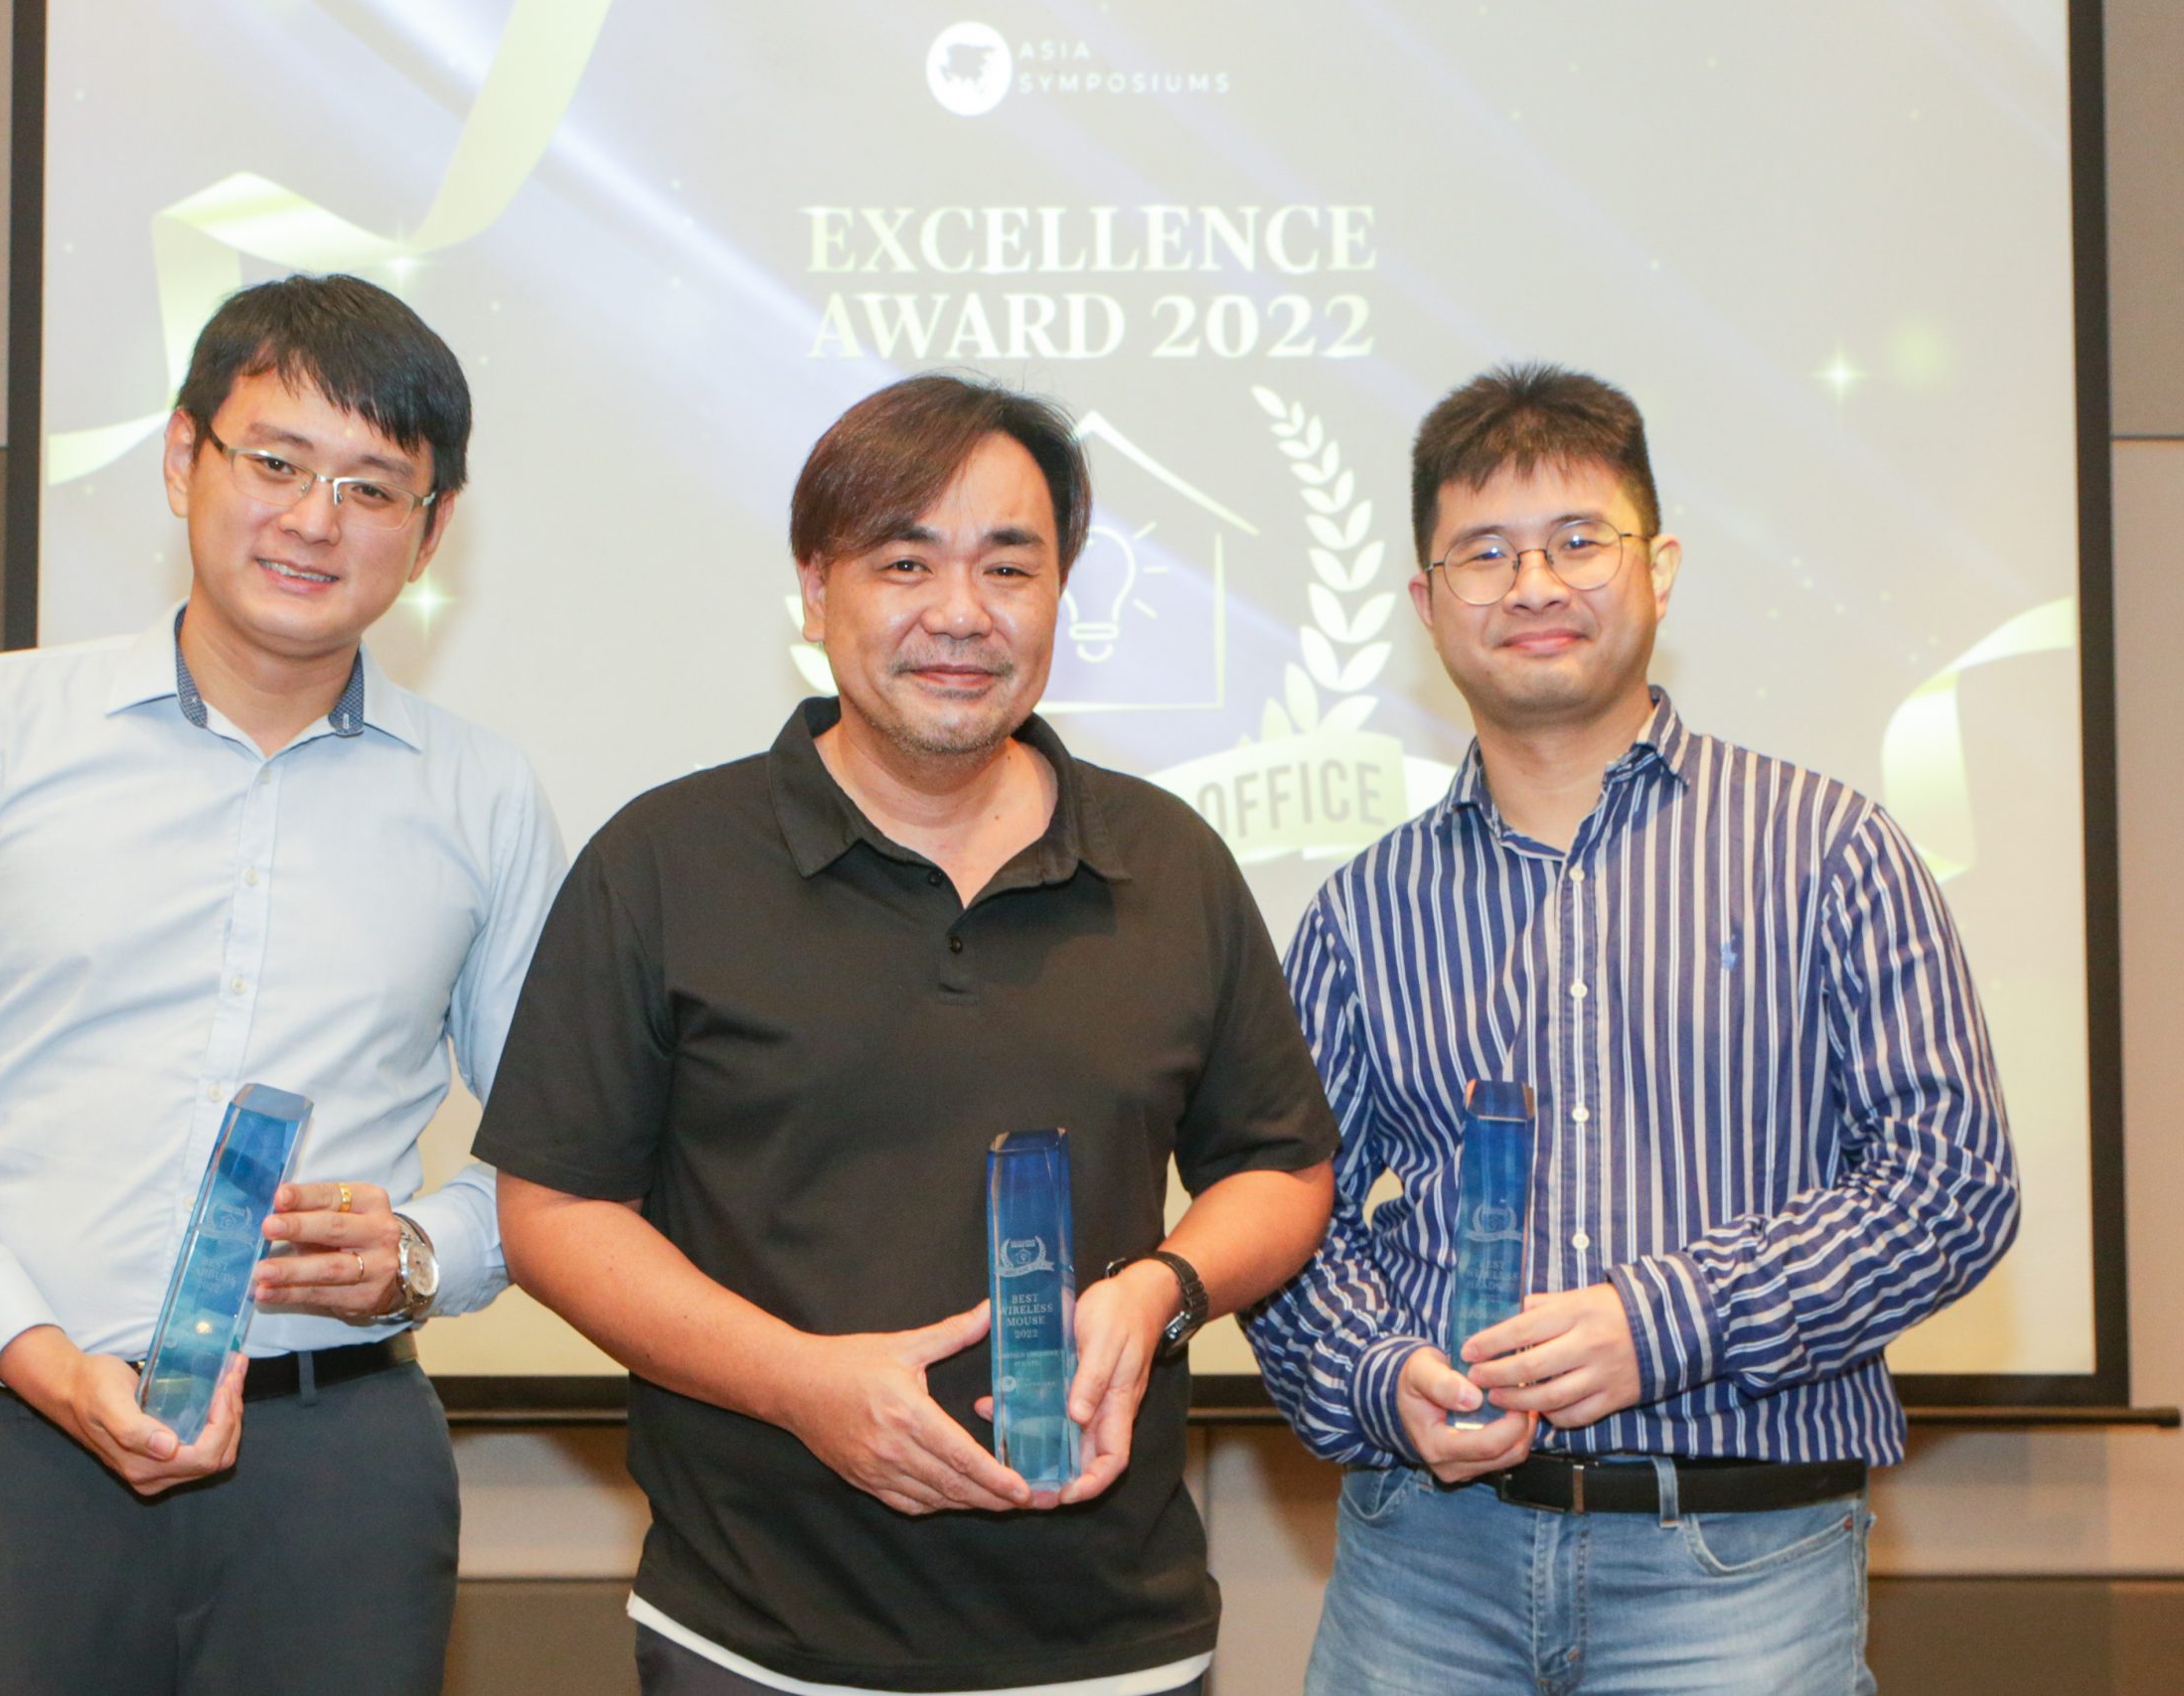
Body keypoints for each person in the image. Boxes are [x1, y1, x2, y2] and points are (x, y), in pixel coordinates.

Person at [473, 373, 1338, 1695]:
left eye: (1010, 566)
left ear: (1060, 595)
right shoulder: (663, 861)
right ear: (816, 590)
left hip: (1111, 1636)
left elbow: (1280, 1167)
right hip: (754, 1635)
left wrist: (1164, 1292)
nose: (961, 613)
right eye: (905, 562)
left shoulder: (1169, 863)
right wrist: (798, 1384)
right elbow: (554, 1208)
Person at [0, 273, 564, 1695]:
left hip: (336, 1468)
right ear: (180, 457)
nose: (315, 520)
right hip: (8, 1449)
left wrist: (420, 1256)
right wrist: (33, 1351)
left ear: (432, 528)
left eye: (371, 487)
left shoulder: (485, 797)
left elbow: (561, 1155)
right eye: (275, 462)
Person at [1242, 362, 2021, 1694]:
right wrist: (1380, 1378)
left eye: (1576, 541)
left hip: (1738, 1566)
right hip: (1424, 1566)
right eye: (1485, 553)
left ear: (1658, 568)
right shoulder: (1364, 910)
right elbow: (1283, 1213)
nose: (1532, 584)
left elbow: (1951, 1187)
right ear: (1427, 604)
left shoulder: (1827, 849)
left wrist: (1662, 1321)